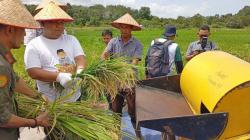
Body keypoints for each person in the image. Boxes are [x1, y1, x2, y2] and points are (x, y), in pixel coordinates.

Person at [0, 0, 50, 139]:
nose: (24, 35)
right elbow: (2, 117)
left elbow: (14, 79)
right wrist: (35, 122)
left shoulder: (5, 54)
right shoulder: (1, 66)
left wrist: (39, 97)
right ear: (10, 30)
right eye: (23, 30)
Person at [24, 2, 87, 102]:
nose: (59, 25)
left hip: (74, 97)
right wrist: (59, 77)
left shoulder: (71, 39)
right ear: (42, 23)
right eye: (54, 22)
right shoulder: (34, 45)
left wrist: (79, 72)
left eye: (61, 22)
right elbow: (33, 72)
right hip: (50, 101)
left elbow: (80, 58)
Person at [101, 13, 143, 139]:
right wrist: (105, 62)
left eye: (127, 27)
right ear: (119, 28)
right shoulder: (113, 42)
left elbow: (135, 61)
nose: (124, 30)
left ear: (131, 29)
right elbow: (104, 55)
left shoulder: (137, 44)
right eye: (122, 27)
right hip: (115, 81)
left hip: (129, 81)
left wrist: (123, 70)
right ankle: (116, 135)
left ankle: (138, 135)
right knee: (115, 110)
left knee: (132, 111)